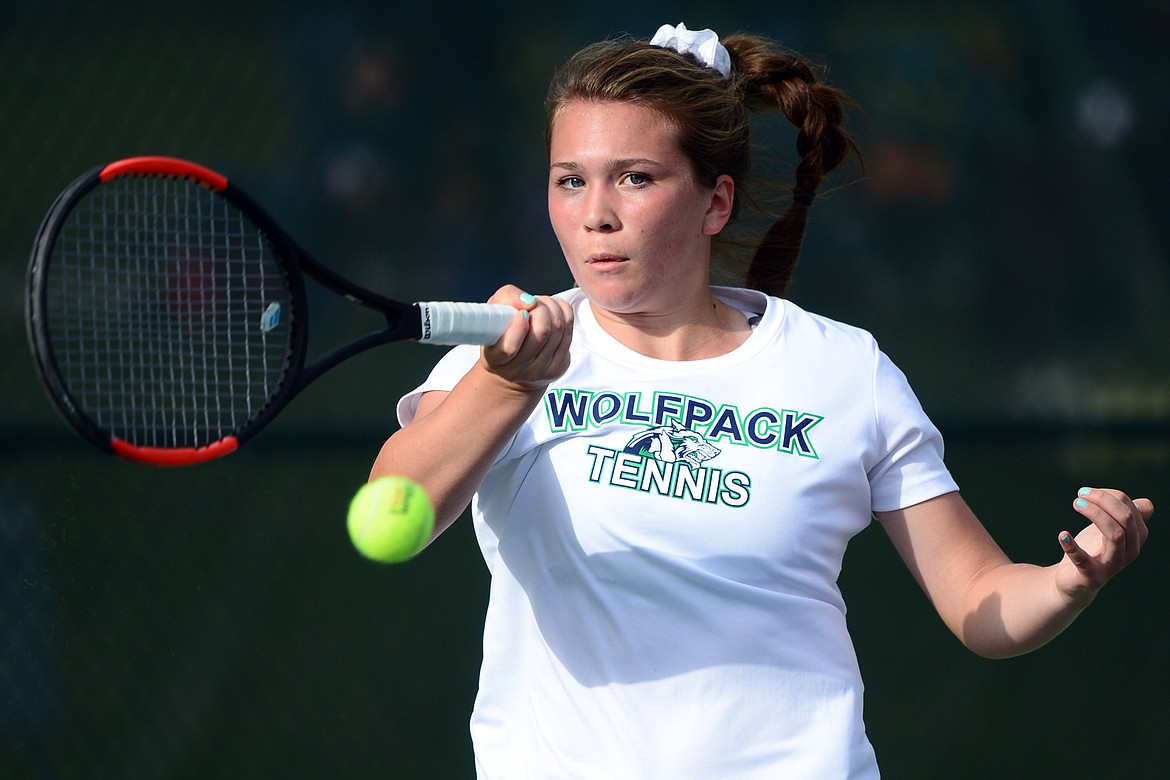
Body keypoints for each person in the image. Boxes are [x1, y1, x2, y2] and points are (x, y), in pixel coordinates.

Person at [371, 22, 1152, 778]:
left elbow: (980, 599)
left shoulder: (844, 369)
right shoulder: (509, 352)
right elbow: (396, 507)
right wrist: (508, 383)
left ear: (715, 203)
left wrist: (1067, 582)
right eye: (570, 179)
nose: (595, 211)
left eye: (635, 177)